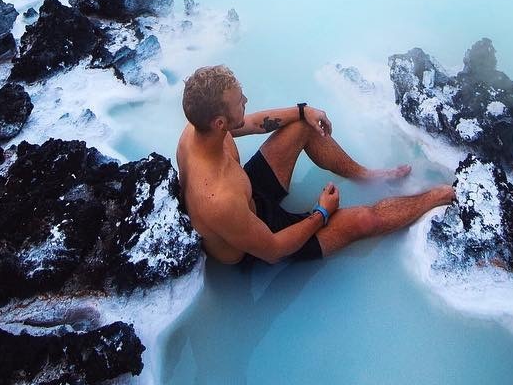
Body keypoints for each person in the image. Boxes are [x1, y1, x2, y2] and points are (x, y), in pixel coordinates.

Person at [176, 65, 454, 264]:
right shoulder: (218, 199)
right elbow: (273, 251)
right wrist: (322, 211)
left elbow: (250, 123)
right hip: (258, 241)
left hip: (246, 197)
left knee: (302, 126)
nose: (246, 101)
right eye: (239, 101)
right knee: (363, 221)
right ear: (220, 122)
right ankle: (438, 196)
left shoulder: (198, 132)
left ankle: (365, 175)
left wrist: (302, 110)